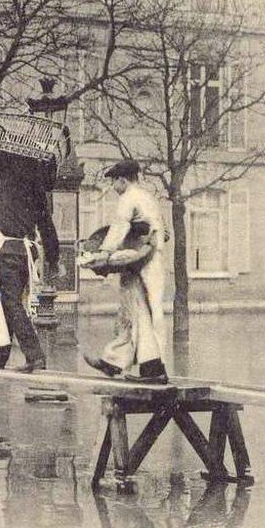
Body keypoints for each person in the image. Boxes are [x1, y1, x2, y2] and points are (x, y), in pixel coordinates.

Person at [0, 158, 59, 373]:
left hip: (5, 251)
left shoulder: (3, 180)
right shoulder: (37, 192)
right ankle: (0, 355)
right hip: (25, 254)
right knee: (10, 302)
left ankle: (34, 355)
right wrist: (53, 258)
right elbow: (47, 227)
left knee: (9, 302)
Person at [82, 160, 169, 384]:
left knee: (139, 312)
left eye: (113, 181)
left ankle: (154, 371)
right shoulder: (148, 197)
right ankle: (114, 362)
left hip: (142, 260)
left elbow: (119, 227)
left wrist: (102, 254)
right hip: (151, 257)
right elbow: (163, 231)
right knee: (135, 312)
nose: (112, 186)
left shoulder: (129, 198)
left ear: (122, 179)